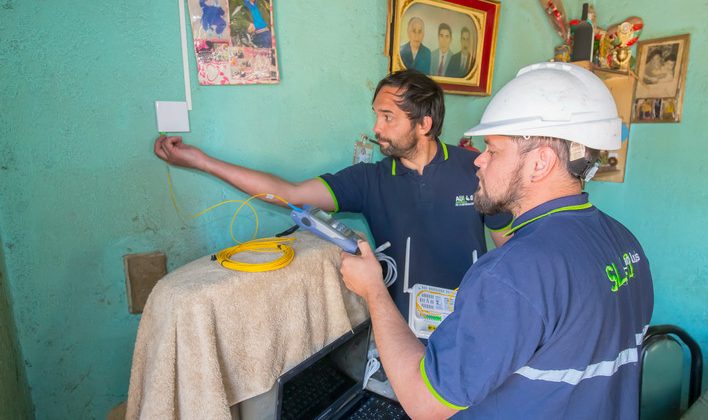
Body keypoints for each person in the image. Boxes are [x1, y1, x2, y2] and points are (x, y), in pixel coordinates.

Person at [339, 62, 654, 418]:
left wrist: (374, 291)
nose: (479, 161)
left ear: (540, 162)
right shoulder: (625, 242)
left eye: (493, 149)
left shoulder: (512, 274)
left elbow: (425, 403)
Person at [154, 70, 511, 322]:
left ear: (424, 124)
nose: (376, 128)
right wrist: (201, 161)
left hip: (471, 320)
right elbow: (287, 193)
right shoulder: (369, 180)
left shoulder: (475, 166)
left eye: (388, 117)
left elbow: (510, 248)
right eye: (376, 116)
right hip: (401, 328)